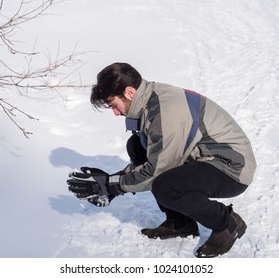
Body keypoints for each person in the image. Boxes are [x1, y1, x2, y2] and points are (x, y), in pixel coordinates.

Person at [67, 62, 257, 258]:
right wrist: (113, 181)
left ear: (130, 92)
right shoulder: (149, 98)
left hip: (231, 167)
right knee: (137, 145)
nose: (115, 113)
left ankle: (227, 224)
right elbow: (156, 158)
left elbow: (157, 170)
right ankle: (180, 223)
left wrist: (113, 185)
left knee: (165, 186)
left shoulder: (166, 112)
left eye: (114, 105)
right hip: (203, 155)